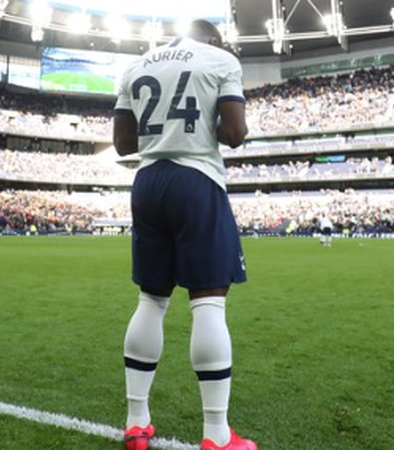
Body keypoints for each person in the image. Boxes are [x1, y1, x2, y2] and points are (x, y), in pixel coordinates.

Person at [113, 20, 257, 450]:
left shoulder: (136, 66)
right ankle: (216, 433)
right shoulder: (220, 59)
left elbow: (122, 145)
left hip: (148, 182)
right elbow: (234, 134)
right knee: (208, 303)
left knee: (151, 301)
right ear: (211, 38)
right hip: (196, 180)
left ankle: (136, 422)